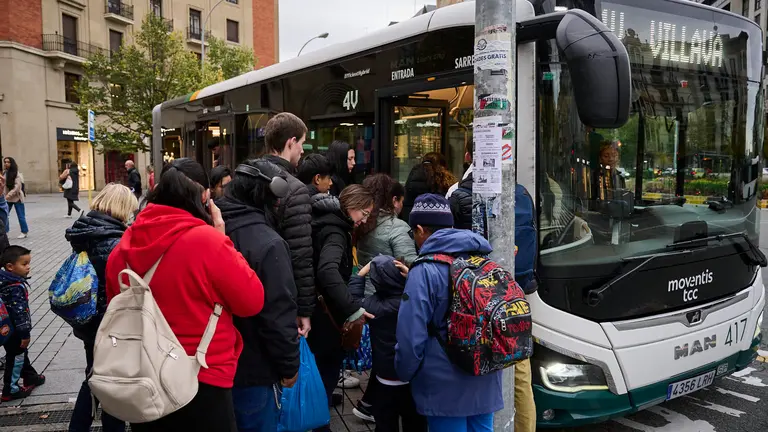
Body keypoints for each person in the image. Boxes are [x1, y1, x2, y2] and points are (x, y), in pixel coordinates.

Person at [105, 158, 265, 431]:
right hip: (203, 376)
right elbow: (252, 301)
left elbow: (114, 306)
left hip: (145, 378)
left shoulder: (122, 249)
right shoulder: (208, 242)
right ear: (204, 196)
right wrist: (224, 239)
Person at [396, 194, 503, 432]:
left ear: (421, 229)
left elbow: (410, 336)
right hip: (484, 374)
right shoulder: (483, 260)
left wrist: (404, 372)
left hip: (443, 383)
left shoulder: (424, 271)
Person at [218, 159, 300, 431]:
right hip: (253, 371)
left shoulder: (206, 228)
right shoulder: (269, 244)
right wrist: (289, 366)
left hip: (209, 368)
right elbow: (277, 314)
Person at [66, 184, 137, 432]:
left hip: (88, 320)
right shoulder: (112, 241)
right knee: (104, 382)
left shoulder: (87, 231)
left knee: (97, 378)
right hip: (106, 324)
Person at [309, 184, 374, 432]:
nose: (364, 220)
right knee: (325, 374)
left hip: (316, 311)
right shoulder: (336, 233)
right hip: (326, 317)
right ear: (352, 207)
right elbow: (327, 271)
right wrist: (353, 308)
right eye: (364, 214)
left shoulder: (324, 222)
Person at [352, 174, 417, 422]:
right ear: (393, 200)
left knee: (382, 354)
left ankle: (369, 403)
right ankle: (377, 405)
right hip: (392, 300)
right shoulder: (398, 228)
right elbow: (408, 262)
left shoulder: (365, 224)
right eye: (400, 200)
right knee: (392, 355)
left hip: (371, 298)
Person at [349, 255, 426, 432]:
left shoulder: (372, 306)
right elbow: (424, 292)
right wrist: (412, 276)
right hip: (413, 376)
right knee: (415, 422)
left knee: (385, 423)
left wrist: (361, 274)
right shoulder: (411, 300)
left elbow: (353, 300)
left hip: (384, 378)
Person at [261, 112, 315, 339]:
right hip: (279, 294)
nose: (303, 150)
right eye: (301, 143)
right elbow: (300, 255)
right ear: (290, 142)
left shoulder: (244, 177)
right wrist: (304, 309)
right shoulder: (296, 189)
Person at [0, 246, 45, 401]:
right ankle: (10, 389)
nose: (28, 267)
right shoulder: (14, 287)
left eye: (28, 263)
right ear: (10, 267)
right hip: (14, 331)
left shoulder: (5, 280)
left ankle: (30, 376)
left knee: (20, 353)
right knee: (16, 356)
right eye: (24, 264)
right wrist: (25, 334)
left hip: (6, 328)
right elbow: (19, 313)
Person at [402, 152, 456, 223]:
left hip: (412, 222)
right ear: (443, 165)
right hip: (437, 223)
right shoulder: (444, 180)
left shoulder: (414, 174)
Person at [4, 157, 29, 239]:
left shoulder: (16, 173)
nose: (6, 163)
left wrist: (9, 195)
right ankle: (5, 231)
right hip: (7, 198)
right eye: (5, 162)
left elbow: (17, 186)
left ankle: (24, 231)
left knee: (21, 215)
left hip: (17, 197)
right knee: (4, 215)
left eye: (8, 162)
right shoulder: (5, 173)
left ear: (12, 163)